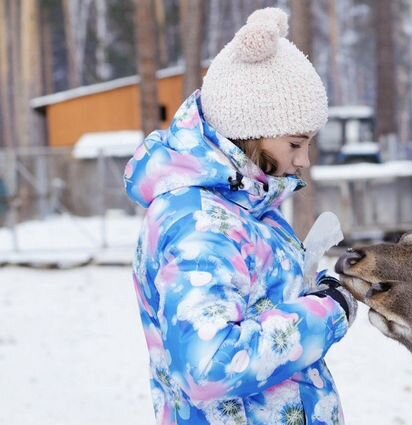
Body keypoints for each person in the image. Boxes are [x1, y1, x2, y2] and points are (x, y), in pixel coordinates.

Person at [124, 8, 357, 425]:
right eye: (295, 143)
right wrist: (326, 313)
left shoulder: (244, 206)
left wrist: (313, 293)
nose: (303, 160)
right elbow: (209, 366)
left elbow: (259, 306)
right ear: (251, 130)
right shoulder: (199, 224)